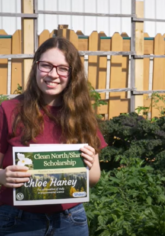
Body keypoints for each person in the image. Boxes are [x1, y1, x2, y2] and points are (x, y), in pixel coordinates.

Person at [0, 37, 107, 235]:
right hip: (17, 221)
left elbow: (93, 178)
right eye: (46, 66)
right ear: (36, 67)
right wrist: (2, 175)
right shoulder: (8, 111)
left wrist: (89, 163)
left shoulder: (82, 116)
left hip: (70, 221)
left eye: (62, 68)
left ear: (72, 74)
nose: (53, 74)